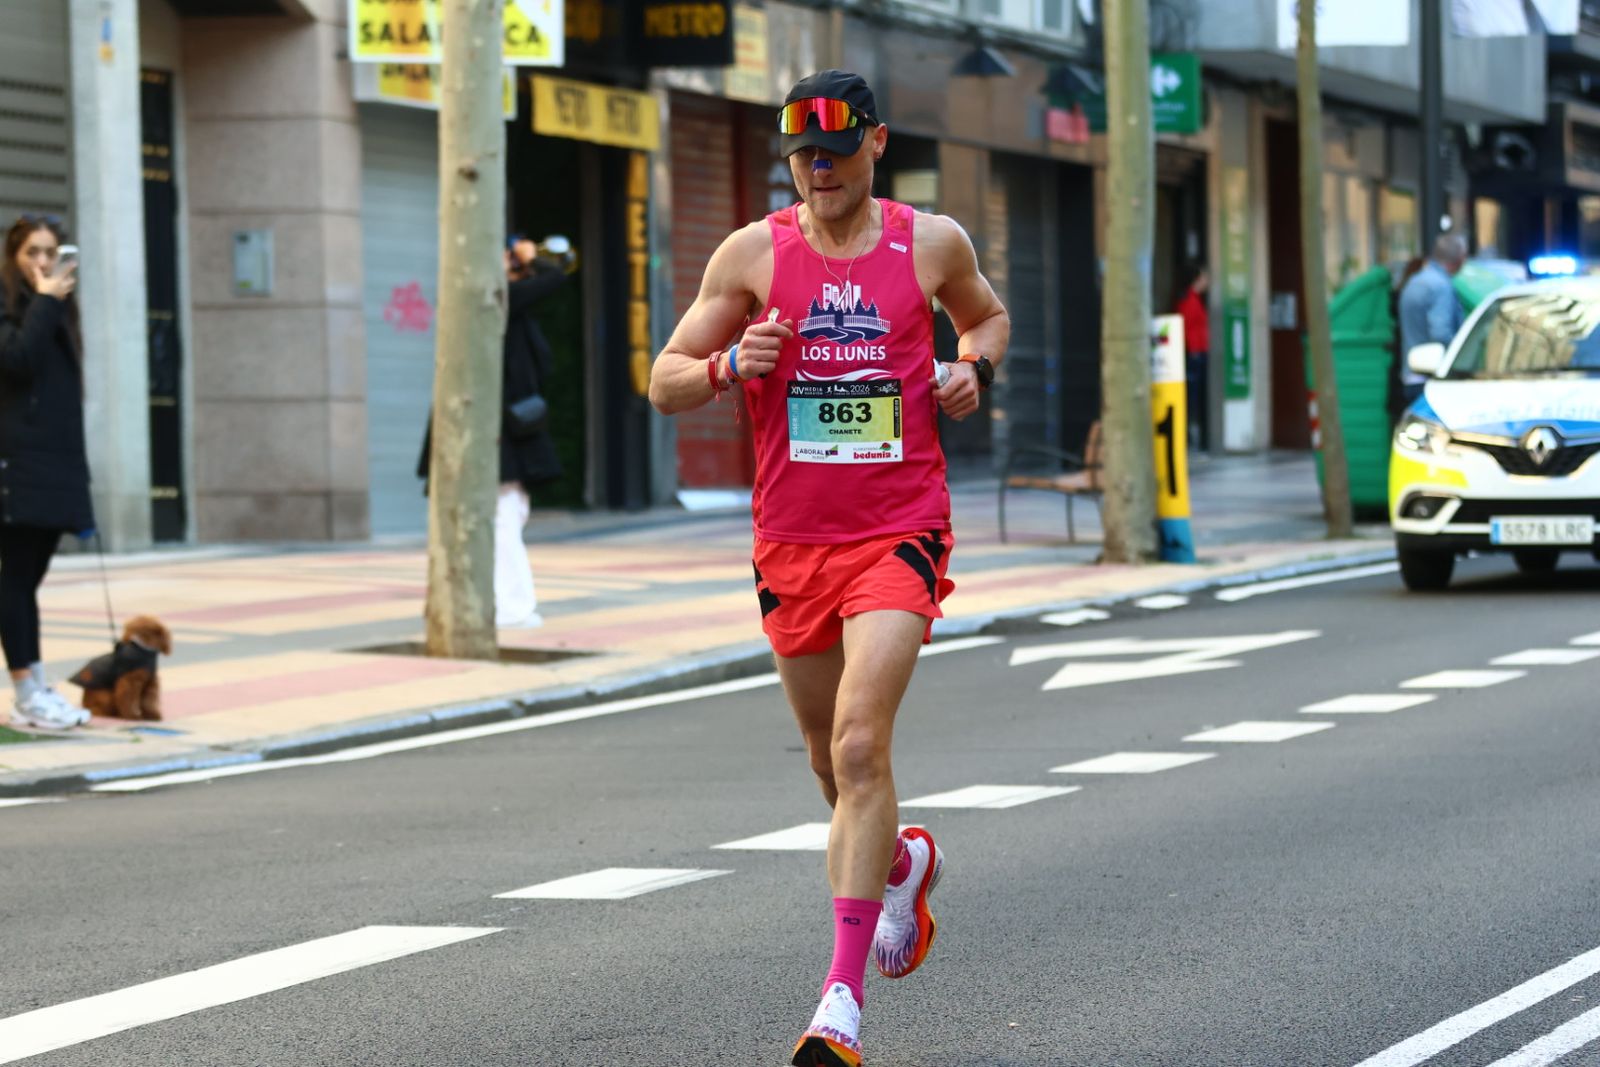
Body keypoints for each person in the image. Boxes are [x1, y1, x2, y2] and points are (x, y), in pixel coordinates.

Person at [648, 70, 1010, 1067]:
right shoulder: (752, 254)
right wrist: (730, 364)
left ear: (875, 144)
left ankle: (838, 1003)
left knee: (858, 743)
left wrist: (970, 369)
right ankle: (898, 864)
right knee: (825, 759)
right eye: (803, 154)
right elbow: (664, 379)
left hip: (900, 528)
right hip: (792, 541)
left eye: (837, 151)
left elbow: (986, 318)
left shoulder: (930, 243)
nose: (819, 169)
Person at [417, 234, 569, 628]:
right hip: (490, 427)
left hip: (503, 426)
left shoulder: (507, 305)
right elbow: (555, 277)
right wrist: (531, 258)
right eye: (507, 257)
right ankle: (511, 609)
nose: (514, 264)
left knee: (509, 512)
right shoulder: (489, 298)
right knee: (503, 515)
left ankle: (495, 604)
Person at [0, 215, 93, 730]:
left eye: (51, 252)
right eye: (32, 252)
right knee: (14, 578)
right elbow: (17, 360)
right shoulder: (20, 307)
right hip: (17, 464)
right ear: (13, 257)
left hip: (54, 463)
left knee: (28, 579)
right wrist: (45, 301)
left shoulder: (57, 311)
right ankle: (25, 693)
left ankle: (35, 683)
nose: (42, 262)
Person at [1397, 234, 1468, 409]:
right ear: (1460, 259)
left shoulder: (1415, 281)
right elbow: (1441, 333)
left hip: (1410, 375)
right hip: (1433, 380)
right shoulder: (1441, 286)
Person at [1175, 262, 1210, 451]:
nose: (1207, 281)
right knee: (1191, 397)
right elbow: (1185, 327)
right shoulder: (1189, 300)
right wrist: (1191, 350)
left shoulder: (1196, 299)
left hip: (1199, 353)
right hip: (1193, 355)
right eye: (1204, 277)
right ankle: (1188, 435)